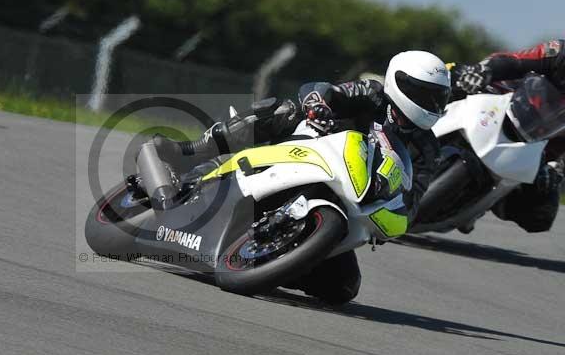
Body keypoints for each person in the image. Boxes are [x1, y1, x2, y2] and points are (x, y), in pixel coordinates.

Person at [153, 50, 451, 303]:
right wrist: (318, 105)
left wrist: (391, 212)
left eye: (438, 98)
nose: (432, 104)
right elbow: (321, 89)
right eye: (424, 94)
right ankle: (192, 151)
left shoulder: (428, 148)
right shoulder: (371, 93)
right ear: (399, 82)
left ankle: (273, 260)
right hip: (307, 150)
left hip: (351, 198)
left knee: (343, 288)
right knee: (283, 110)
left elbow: (412, 201)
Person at [450, 40, 565, 233]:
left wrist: (557, 168)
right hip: (501, 98)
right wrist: (484, 71)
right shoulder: (560, 53)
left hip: (536, 145)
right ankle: (400, 138)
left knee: (541, 215)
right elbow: (515, 61)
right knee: (449, 75)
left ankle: (481, 203)